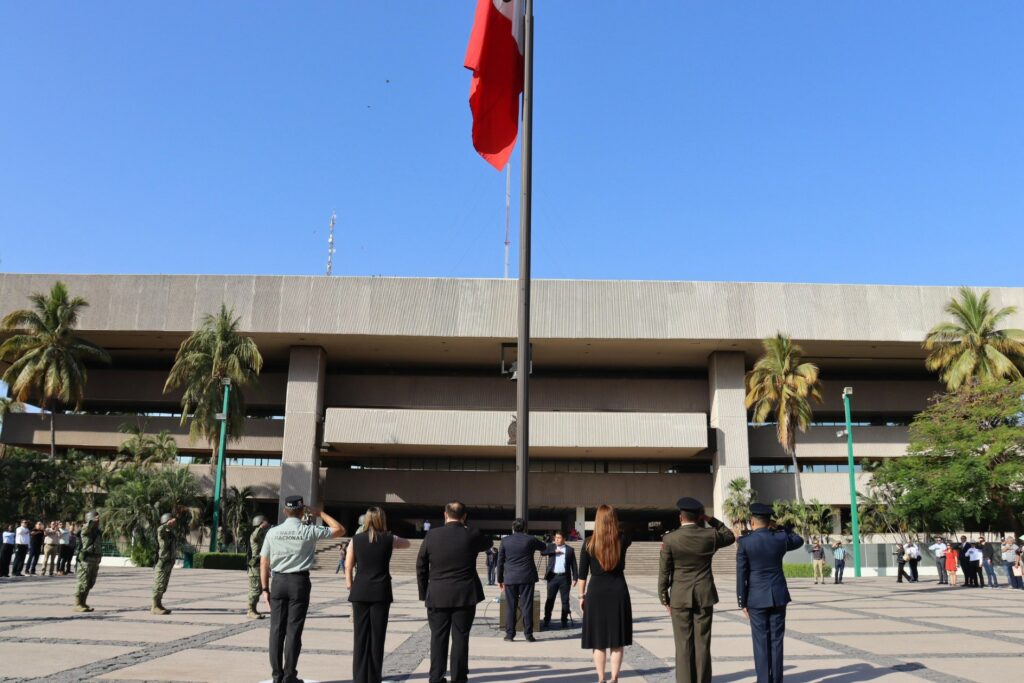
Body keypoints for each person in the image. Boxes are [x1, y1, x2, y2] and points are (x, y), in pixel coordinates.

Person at [260, 496, 345, 683]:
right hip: (298, 582)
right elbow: (340, 529)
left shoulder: (273, 532)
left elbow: (264, 562)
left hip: (278, 581)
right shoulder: (309, 531)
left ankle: (277, 676)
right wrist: (319, 513)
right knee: (293, 631)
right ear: (302, 512)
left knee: (276, 631)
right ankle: (289, 676)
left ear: (285, 511)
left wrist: (265, 589)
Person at [658, 497, 735, 683]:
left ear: (680, 517)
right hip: (704, 594)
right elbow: (730, 536)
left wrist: (664, 598)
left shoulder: (670, 539)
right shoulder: (710, 536)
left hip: (679, 596)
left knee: (683, 645)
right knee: (702, 643)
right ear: (699, 516)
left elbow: (664, 573)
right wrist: (711, 519)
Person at [416, 501, 492, 683]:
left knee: (437, 638)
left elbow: (420, 565)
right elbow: (488, 542)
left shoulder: (432, 535)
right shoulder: (472, 533)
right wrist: (467, 528)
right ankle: (458, 678)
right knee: (460, 638)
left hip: (437, 594)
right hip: (464, 595)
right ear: (464, 516)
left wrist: (424, 592)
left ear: (445, 514)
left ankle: (436, 677)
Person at [736, 502, 804, 683]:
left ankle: (764, 680)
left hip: (756, 597)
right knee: (776, 640)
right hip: (778, 595)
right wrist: (781, 527)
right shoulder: (780, 538)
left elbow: (741, 574)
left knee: (761, 642)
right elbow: (799, 540)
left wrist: (742, 601)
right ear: (769, 521)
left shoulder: (745, 542)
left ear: (752, 521)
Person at [346, 506, 410, 683]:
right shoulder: (389, 539)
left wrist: (350, 585)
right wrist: (390, 536)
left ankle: (359, 677)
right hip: (381, 591)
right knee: (377, 637)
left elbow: (348, 566)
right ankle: (374, 677)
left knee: (360, 637)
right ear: (382, 519)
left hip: (360, 590)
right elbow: (407, 543)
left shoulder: (356, 539)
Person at [579, 504, 632, 683]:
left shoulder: (588, 542)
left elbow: (582, 574)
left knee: (598, 639)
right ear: (614, 520)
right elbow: (627, 531)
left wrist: (581, 596)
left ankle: (601, 678)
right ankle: (614, 678)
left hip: (596, 592)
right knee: (617, 639)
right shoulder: (622, 539)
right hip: (618, 590)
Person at [497, 518, 547, 642]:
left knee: (510, 607)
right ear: (525, 528)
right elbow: (543, 547)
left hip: (510, 578)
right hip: (527, 577)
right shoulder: (530, 539)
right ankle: (528, 635)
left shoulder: (505, 541)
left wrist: (500, 579)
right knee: (527, 606)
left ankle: (510, 635)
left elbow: (500, 561)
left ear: (513, 528)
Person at [542, 530, 578, 629]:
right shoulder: (551, 546)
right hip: (552, 577)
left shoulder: (570, 550)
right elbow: (542, 552)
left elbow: (574, 565)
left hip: (564, 578)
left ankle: (564, 620)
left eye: (559, 538)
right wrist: (554, 552)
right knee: (550, 600)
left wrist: (575, 577)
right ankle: (547, 620)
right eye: (556, 537)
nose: (556, 539)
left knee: (565, 601)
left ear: (564, 539)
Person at [74, 511, 102, 612]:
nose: (98, 521)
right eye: (95, 518)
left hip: (94, 560)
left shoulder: (97, 531)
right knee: (82, 582)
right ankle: (77, 604)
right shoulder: (85, 529)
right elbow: (87, 526)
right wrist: (92, 521)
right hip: (85, 561)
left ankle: (83, 602)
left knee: (90, 583)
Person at [152, 512, 177, 615]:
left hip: (168, 563)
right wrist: (166, 524)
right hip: (162, 563)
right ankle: (154, 607)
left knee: (163, 585)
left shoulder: (171, 534)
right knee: (159, 584)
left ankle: (159, 604)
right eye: (170, 521)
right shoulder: (162, 533)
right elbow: (160, 529)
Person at [248, 515, 270, 619]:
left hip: (260, 566)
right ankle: (250, 611)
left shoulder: (261, 535)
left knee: (259, 590)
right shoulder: (255, 534)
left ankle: (253, 609)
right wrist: (260, 527)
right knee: (255, 590)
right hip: (255, 567)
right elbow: (256, 535)